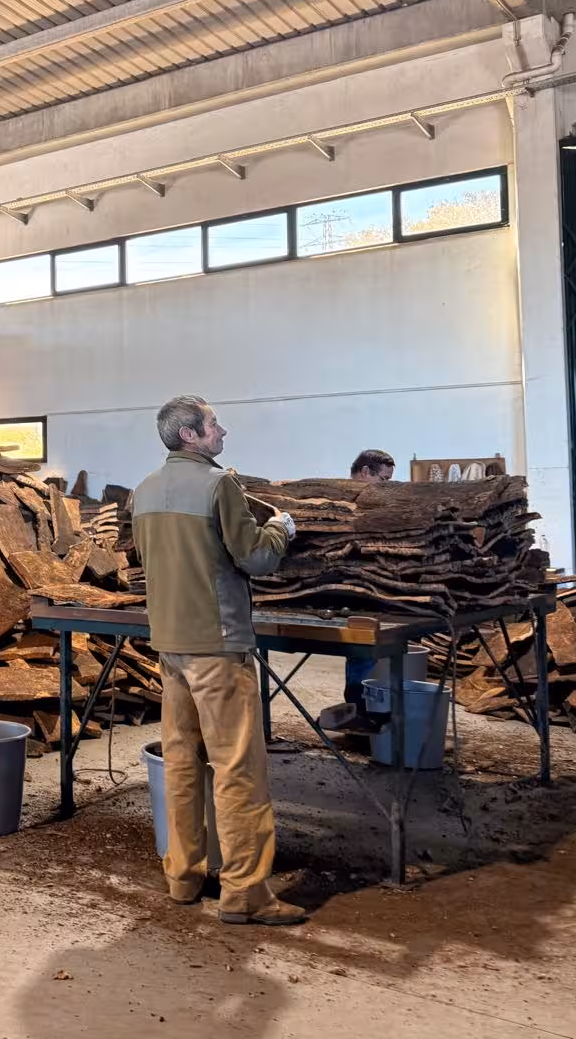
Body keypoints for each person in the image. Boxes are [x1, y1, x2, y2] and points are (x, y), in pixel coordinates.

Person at [131, 395, 307, 927]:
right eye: (213, 425)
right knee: (238, 770)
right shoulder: (217, 486)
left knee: (183, 764)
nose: (222, 431)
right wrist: (282, 529)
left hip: (170, 647)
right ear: (191, 435)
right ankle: (246, 894)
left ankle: (183, 877)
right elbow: (255, 557)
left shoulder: (142, 493)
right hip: (217, 647)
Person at [332, 449, 397, 725]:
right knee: (362, 657)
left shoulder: (374, 505)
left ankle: (367, 712)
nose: (386, 486)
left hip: (368, 593)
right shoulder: (336, 502)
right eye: (383, 479)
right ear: (365, 473)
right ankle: (362, 714)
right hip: (345, 596)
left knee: (371, 658)